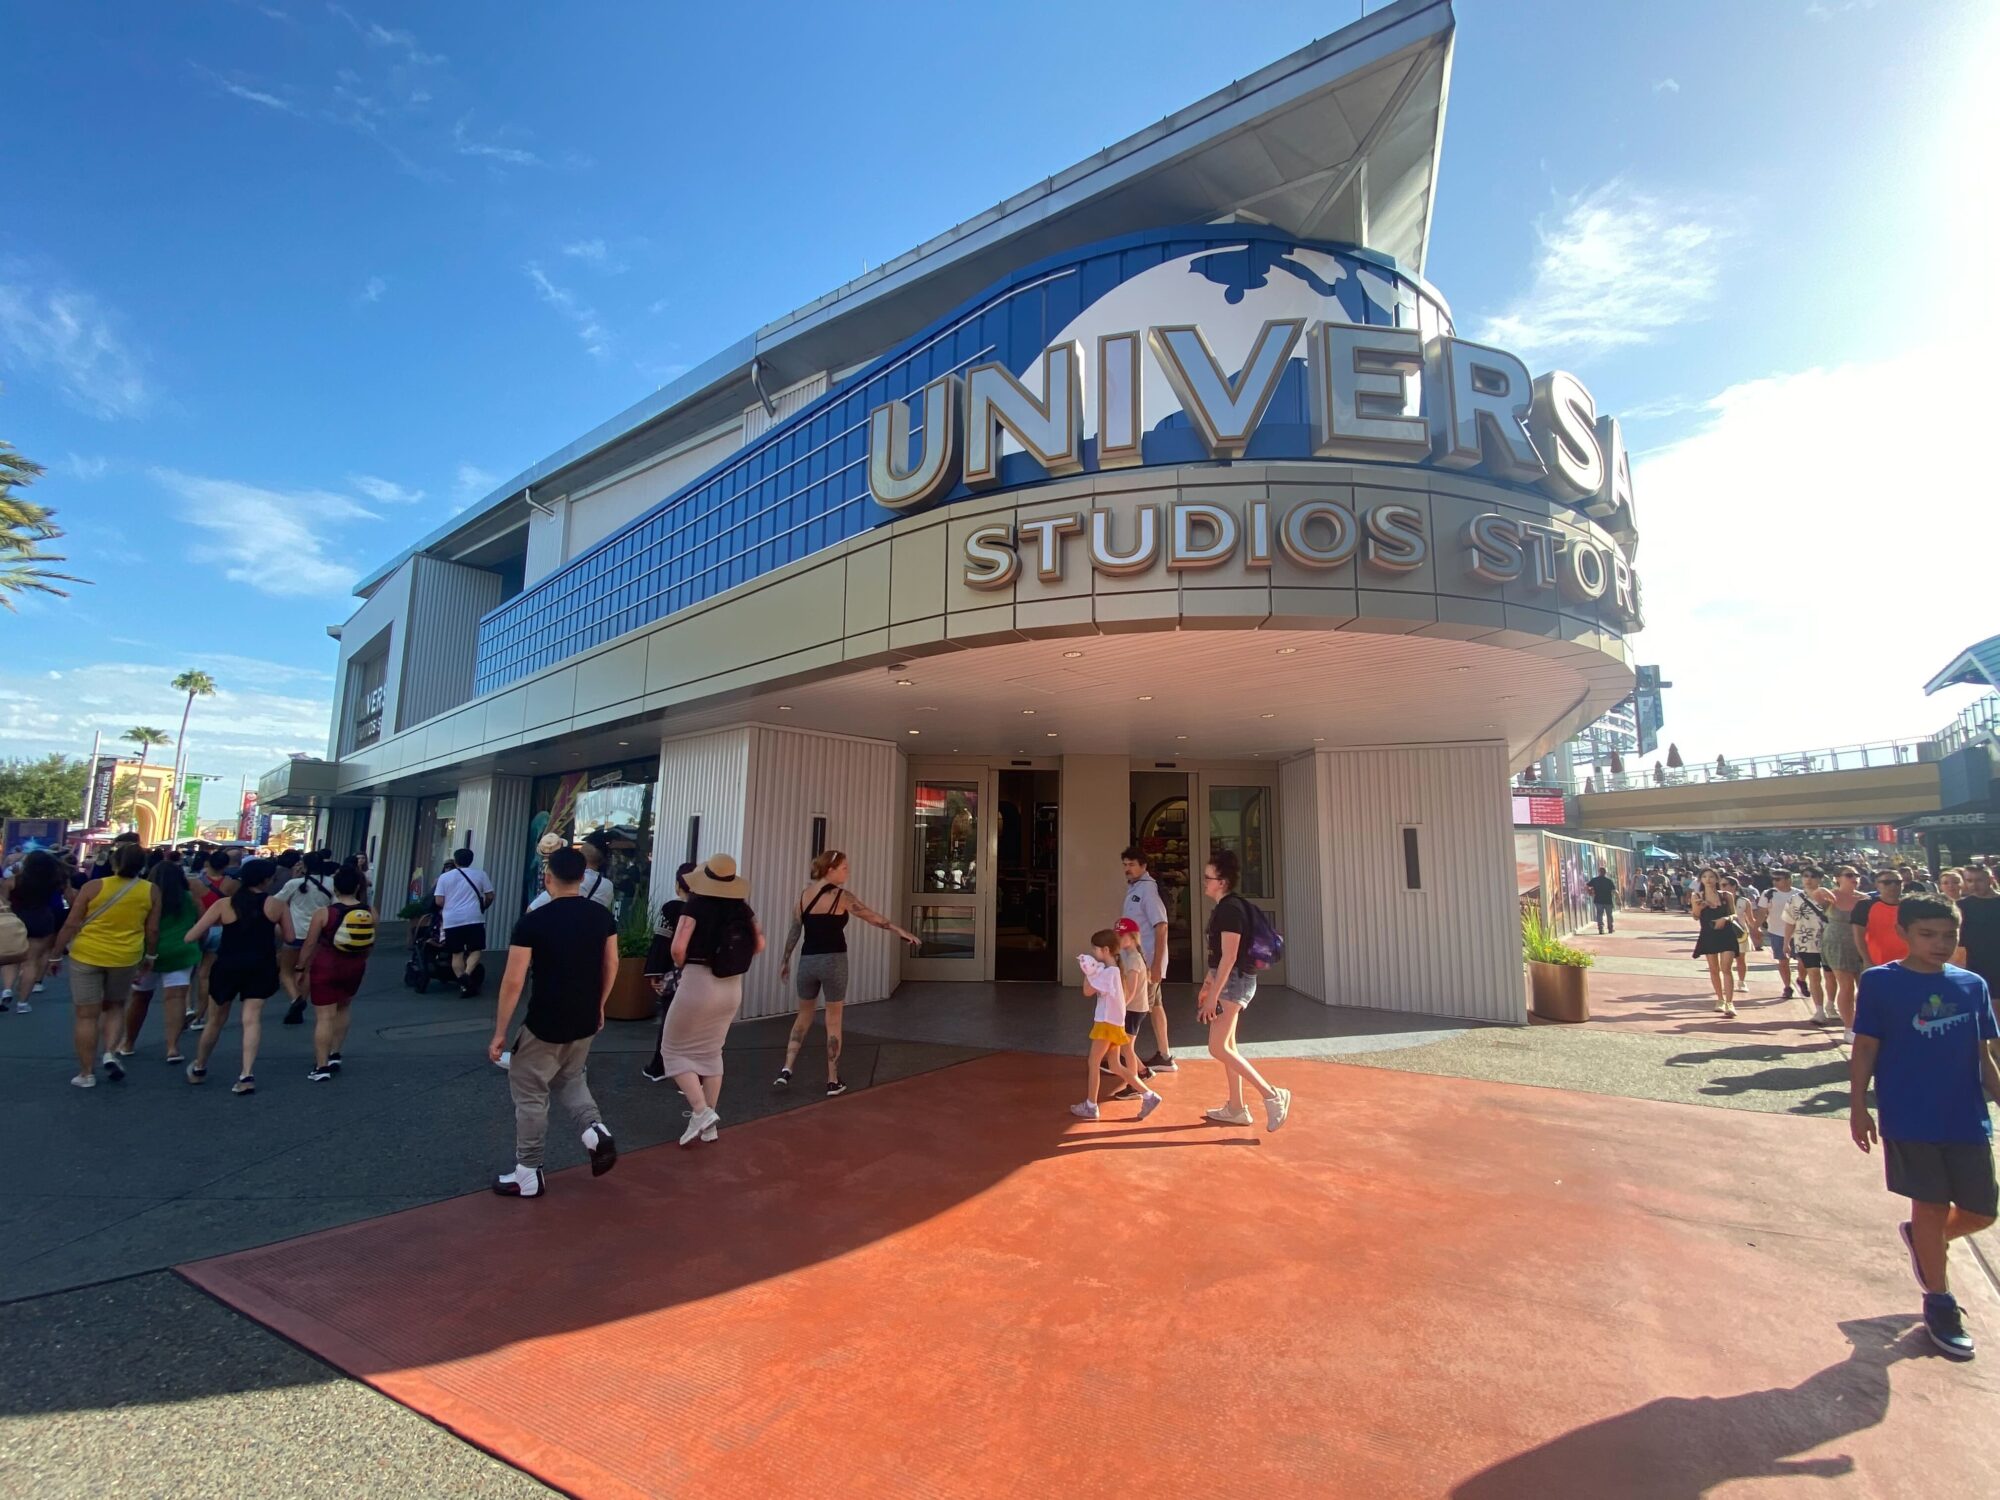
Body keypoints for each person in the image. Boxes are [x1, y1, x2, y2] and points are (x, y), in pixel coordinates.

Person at [1848, 893, 2000, 1361]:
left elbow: (1985, 1054)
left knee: (1982, 1211)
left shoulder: (1971, 985)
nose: (1939, 944)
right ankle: (1940, 1300)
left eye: (1948, 935)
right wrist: (1858, 1106)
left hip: (1966, 1115)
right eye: (1927, 934)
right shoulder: (1880, 983)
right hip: (1910, 1115)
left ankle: (1922, 1239)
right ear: (1905, 935)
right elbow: (1866, 1047)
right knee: (1930, 1204)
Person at [486, 846, 619, 1197]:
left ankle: (528, 1171)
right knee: (570, 1077)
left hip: (545, 1018)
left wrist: (500, 1032)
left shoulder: (533, 922)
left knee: (530, 1090)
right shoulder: (602, 917)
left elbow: (514, 981)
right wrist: (600, 1005)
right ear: (582, 878)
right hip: (585, 1017)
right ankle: (594, 1129)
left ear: (547, 878)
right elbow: (612, 965)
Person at [774, 849, 918, 1097]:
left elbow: (794, 931)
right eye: (844, 868)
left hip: (807, 963)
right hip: (834, 962)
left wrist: (785, 960)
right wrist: (900, 931)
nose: (847, 872)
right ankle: (832, 1081)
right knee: (833, 1021)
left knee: (803, 1016)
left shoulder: (803, 897)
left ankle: (786, 1068)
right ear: (830, 870)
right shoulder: (841, 897)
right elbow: (873, 917)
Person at [662, 854, 763, 1146]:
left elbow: (678, 948)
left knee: (672, 1050)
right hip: (731, 987)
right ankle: (708, 1126)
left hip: (698, 982)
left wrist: (682, 966)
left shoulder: (695, 905)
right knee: (710, 1053)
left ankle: (701, 1110)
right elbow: (760, 943)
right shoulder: (742, 909)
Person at [48, 841, 159, 1088]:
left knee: (86, 1015)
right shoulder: (150, 891)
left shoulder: (93, 886)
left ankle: (86, 1073)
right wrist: (150, 957)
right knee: (116, 1006)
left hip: (88, 954)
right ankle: (110, 1052)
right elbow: (152, 929)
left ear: (114, 863)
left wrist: (56, 954)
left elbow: (71, 923)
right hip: (125, 957)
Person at [1197, 851, 1290, 1131]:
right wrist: (1207, 983)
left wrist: (1212, 996)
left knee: (1217, 1047)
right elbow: (1218, 957)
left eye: (1207, 877)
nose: (1204, 882)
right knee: (1229, 1046)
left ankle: (1272, 1095)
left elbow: (1229, 956)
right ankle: (1236, 1108)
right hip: (1231, 980)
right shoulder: (1229, 907)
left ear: (1221, 882)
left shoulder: (1229, 910)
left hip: (1233, 982)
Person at [186, 858, 282, 1095]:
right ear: (266, 880)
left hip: (228, 964)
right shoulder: (276, 904)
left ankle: (199, 1066)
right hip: (261, 964)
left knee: (216, 1019)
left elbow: (192, 935)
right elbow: (288, 936)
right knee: (252, 1019)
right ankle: (246, 1074)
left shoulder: (224, 904)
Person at [1071, 929, 1163, 1120]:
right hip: (1114, 1024)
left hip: (1106, 1024)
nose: (1094, 953)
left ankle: (1091, 1105)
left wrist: (1088, 971)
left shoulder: (1108, 973)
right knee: (1115, 1066)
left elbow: (1087, 991)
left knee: (1093, 1062)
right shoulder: (1114, 971)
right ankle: (1148, 1095)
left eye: (1095, 950)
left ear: (1105, 950)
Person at [121, 860, 203, 1064]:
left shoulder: (146, 897)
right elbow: (202, 923)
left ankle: (128, 1042)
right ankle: (172, 1047)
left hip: (148, 953)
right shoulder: (189, 898)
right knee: (175, 999)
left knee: (140, 998)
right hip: (181, 952)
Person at [304, 866, 375, 1081]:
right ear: (357, 887)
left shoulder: (325, 913)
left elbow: (309, 944)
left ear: (334, 888)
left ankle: (321, 1065)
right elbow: (371, 942)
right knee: (344, 1007)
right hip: (354, 966)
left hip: (326, 965)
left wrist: (300, 967)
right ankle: (335, 1053)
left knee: (324, 1016)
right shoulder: (370, 912)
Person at [638, 862, 696, 1084]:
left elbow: (662, 941)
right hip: (703, 975)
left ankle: (661, 1066)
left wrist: (654, 971)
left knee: (670, 1020)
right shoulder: (709, 910)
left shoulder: (672, 909)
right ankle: (695, 1072)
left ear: (677, 885)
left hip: (675, 974)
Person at [1119, 845, 1175, 1070]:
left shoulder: (1147, 891)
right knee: (1155, 1006)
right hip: (1143, 962)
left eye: (1131, 864)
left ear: (1143, 866)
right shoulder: (1136, 888)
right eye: (1125, 865)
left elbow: (1161, 927)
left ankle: (1129, 1062)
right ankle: (1165, 1055)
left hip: (1146, 964)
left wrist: (1156, 965)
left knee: (1135, 1009)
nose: (1127, 869)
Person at [2, 848, 68, 1014]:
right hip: (42, 919)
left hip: (16, 919)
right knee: (31, 961)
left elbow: (4, 902)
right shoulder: (54, 881)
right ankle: (23, 1003)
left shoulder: (12, 881)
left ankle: (7, 989)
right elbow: (69, 897)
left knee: (12, 958)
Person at [275, 853, 336, 1025]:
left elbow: (276, 901)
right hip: (319, 934)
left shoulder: (294, 884)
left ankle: (295, 999)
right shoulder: (331, 883)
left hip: (295, 932)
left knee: (286, 971)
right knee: (307, 971)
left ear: (304, 865)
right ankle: (302, 1000)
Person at [434, 847, 495, 996]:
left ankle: (463, 983)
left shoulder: (445, 877)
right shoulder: (480, 875)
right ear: (471, 860)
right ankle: (467, 977)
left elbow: (439, 901)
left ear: (455, 861)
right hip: (474, 918)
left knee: (457, 953)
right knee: (475, 950)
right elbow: (490, 895)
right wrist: (483, 906)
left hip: (452, 920)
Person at [1821, 865, 1869, 1044]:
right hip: (1837, 944)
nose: (1854, 878)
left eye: (1857, 875)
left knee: (1864, 989)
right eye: (1849, 875)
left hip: (1861, 945)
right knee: (1846, 986)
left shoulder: (1865, 899)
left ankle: (1863, 1024)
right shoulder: (1829, 895)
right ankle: (1849, 1028)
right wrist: (1820, 888)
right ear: (1837, 878)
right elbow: (1813, 893)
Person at [1783, 867, 1835, 1025]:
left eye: (1813, 876)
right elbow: (1789, 922)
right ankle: (1819, 1010)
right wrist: (1786, 942)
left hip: (1829, 940)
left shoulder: (1830, 897)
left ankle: (1831, 1005)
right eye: (1806, 876)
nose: (1809, 879)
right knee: (1814, 974)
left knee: (1831, 975)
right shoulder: (1795, 899)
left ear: (1820, 878)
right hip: (1805, 941)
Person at [1689, 869, 1739, 1018]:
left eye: (1711, 876)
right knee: (1713, 968)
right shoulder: (1697, 896)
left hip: (1726, 933)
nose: (1708, 879)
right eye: (1704, 877)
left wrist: (1725, 919)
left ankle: (1730, 1002)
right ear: (1701, 880)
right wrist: (1699, 907)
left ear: (1716, 879)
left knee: (1726, 967)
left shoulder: (1726, 895)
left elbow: (1734, 914)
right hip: (1709, 933)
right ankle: (1720, 999)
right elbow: (1695, 916)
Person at [1952, 863, 1999, 997]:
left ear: (1990, 880)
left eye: (1979, 880)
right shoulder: (1961, 905)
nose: (1974, 885)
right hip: (1975, 962)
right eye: (1969, 880)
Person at [1852, 870, 1909, 970]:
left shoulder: (1911, 905)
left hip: (1909, 963)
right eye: (1887, 882)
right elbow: (1859, 936)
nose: (1893, 885)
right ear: (1877, 885)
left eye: (1898, 882)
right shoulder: (1865, 905)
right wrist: (1866, 960)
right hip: (1877, 963)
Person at [1758, 869, 1800, 1000]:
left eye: (1778, 879)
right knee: (1783, 961)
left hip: (1798, 933)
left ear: (1788, 880)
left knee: (1803, 961)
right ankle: (1787, 987)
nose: (1774, 882)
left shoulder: (1799, 894)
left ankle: (1801, 979)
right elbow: (1762, 912)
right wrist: (1756, 927)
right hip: (1776, 932)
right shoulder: (1768, 893)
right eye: (1773, 879)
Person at [1586, 865, 1617, 935]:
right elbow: (1614, 890)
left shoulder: (1594, 880)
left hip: (1598, 900)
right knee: (1609, 915)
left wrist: (1589, 892)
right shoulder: (1609, 881)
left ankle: (1601, 929)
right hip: (1608, 900)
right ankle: (1610, 928)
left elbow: (1587, 886)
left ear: (1599, 872)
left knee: (1599, 914)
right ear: (1605, 872)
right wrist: (1618, 899)